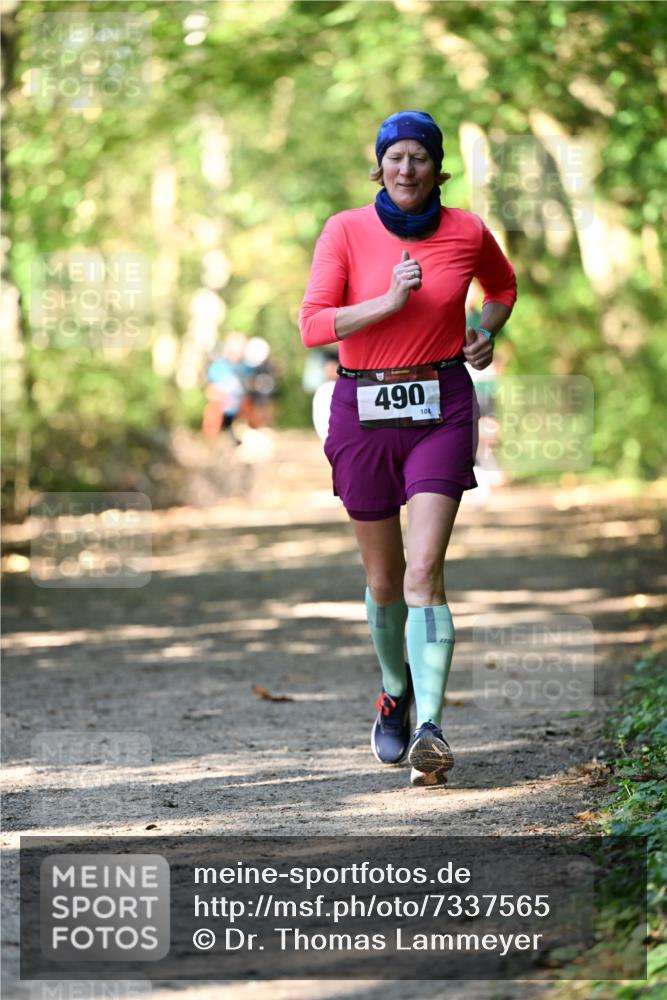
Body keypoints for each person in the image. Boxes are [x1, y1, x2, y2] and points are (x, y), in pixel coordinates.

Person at [299, 111, 517, 788]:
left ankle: (430, 727)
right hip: (361, 410)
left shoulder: (467, 231)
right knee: (385, 580)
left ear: (436, 167)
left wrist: (483, 332)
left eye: (418, 157)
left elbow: (501, 288)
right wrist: (387, 302)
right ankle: (394, 690)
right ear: (378, 166)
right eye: (394, 157)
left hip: (442, 407)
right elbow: (312, 325)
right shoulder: (344, 230)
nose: (405, 169)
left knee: (424, 572)